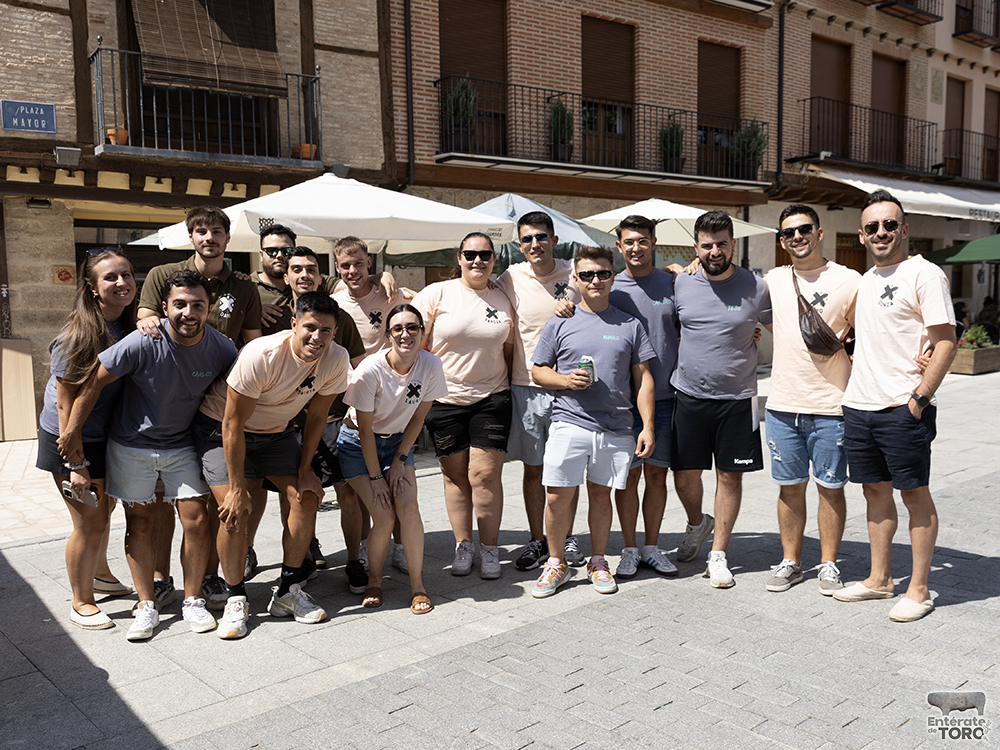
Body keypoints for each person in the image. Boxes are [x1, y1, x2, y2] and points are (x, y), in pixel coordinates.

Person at [60, 270, 238, 640]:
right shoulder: (144, 341)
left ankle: (192, 600)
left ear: (209, 310)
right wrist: (72, 430)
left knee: (197, 519)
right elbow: (93, 380)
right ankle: (146, 605)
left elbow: (239, 395)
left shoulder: (221, 348)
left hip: (182, 445)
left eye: (198, 305)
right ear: (164, 307)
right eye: (180, 304)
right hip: (130, 445)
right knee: (139, 523)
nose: (188, 312)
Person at [194, 292, 349, 638]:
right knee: (235, 510)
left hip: (276, 433)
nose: (317, 337)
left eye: (326, 330)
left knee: (307, 496)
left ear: (335, 333)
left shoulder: (336, 359)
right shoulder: (261, 355)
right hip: (222, 430)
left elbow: (318, 416)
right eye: (310, 327)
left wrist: (306, 468)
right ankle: (235, 598)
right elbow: (232, 424)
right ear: (294, 324)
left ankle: (288, 592)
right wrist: (235, 489)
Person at [834, 190, 956, 622]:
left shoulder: (924, 274)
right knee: (874, 492)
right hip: (860, 405)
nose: (881, 232)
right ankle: (879, 579)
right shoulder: (866, 281)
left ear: (904, 229)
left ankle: (919, 589)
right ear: (862, 236)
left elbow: (946, 341)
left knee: (913, 494)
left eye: (889, 225)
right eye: (872, 227)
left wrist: (919, 398)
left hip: (902, 408)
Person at [136, 206, 262, 612]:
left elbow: (251, 344)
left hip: (216, 407)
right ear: (191, 236)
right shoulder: (162, 276)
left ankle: (208, 576)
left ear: (228, 238)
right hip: (166, 403)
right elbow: (144, 317)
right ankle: (160, 578)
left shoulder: (244, 287)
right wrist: (146, 320)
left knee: (206, 502)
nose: (209, 237)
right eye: (201, 231)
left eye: (217, 231)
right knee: (160, 503)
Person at [530, 245, 655, 598]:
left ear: (612, 276)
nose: (595, 280)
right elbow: (538, 371)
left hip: (616, 427)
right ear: (576, 279)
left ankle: (598, 561)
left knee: (601, 497)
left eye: (602, 273)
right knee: (556, 497)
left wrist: (647, 426)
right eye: (587, 274)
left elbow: (644, 377)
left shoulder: (630, 324)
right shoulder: (560, 322)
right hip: (569, 421)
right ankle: (556, 563)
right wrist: (566, 380)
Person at [253, 247, 367, 594]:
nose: (304, 275)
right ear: (284, 276)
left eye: (312, 269)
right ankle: (302, 556)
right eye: (296, 269)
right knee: (295, 495)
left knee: (348, 493)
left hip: (331, 417)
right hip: (285, 423)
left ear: (321, 275)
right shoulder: (271, 314)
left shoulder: (338, 317)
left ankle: (354, 559)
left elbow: (359, 365)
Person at [763, 204, 860, 595]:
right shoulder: (772, 279)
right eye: (788, 233)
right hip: (782, 405)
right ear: (782, 241)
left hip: (832, 406)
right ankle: (791, 561)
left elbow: (873, 331)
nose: (797, 237)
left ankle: (829, 563)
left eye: (804, 229)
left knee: (831, 487)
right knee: (789, 488)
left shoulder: (850, 280)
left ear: (820, 233)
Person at [37, 248, 137, 629]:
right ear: (93, 288)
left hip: (102, 433)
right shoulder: (78, 334)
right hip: (67, 436)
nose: (121, 282)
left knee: (102, 511)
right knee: (89, 522)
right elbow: (65, 406)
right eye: (110, 277)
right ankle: (81, 601)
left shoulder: (126, 324)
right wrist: (75, 463)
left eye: (126, 274)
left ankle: (100, 575)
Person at [671, 210, 771, 588]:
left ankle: (718, 554)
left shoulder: (757, 286)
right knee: (684, 477)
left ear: (733, 244)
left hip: (738, 398)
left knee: (729, 476)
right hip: (689, 394)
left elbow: (784, 328)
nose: (715, 251)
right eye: (707, 245)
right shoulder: (682, 281)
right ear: (696, 247)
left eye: (722, 244)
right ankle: (699, 523)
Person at [413, 233, 515, 579]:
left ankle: (489, 548)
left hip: (492, 397)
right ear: (458, 257)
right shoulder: (437, 293)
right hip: (444, 399)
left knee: (484, 475)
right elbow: (411, 337)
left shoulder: (503, 296)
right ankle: (463, 544)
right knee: (455, 477)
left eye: (485, 255)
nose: (477, 261)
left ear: (493, 259)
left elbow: (512, 347)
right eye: (470, 254)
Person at [337, 304, 448, 613]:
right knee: (384, 515)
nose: (405, 334)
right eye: (397, 328)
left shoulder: (431, 365)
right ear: (387, 335)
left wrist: (399, 461)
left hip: (399, 443)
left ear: (423, 333)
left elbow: (418, 419)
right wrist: (376, 479)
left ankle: (418, 586)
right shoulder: (370, 370)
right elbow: (365, 429)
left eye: (412, 327)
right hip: (358, 445)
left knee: (409, 508)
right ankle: (374, 580)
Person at [495, 212, 586, 572]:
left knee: (567, 470)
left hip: (570, 389)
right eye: (528, 239)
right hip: (526, 388)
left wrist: (680, 267)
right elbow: (471, 288)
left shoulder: (576, 271)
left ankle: (566, 537)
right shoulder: (510, 277)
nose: (535, 244)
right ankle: (538, 539)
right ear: (520, 245)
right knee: (533, 470)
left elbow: (618, 280)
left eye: (542, 237)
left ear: (554, 240)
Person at [332, 236, 414, 578]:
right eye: (346, 265)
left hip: (388, 401)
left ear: (370, 263)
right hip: (344, 399)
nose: (353, 270)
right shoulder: (334, 301)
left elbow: (421, 318)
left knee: (393, 488)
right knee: (353, 493)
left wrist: (390, 277)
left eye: (359, 263)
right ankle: (360, 554)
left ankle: (395, 545)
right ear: (337, 268)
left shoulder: (390, 294)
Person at [607, 215, 680, 579]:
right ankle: (629, 548)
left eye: (642, 240)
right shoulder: (609, 286)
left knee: (657, 476)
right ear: (620, 246)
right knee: (627, 478)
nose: (636, 248)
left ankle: (652, 547)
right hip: (622, 401)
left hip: (666, 395)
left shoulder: (673, 281)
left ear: (654, 242)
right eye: (629, 242)